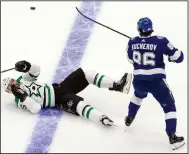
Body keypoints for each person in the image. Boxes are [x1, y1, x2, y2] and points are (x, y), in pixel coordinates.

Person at [2, 60, 132, 127]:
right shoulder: (19, 101)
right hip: (59, 100)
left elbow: (36, 70)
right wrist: (23, 97)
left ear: (14, 79)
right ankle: (102, 118)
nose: (13, 86)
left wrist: (27, 66)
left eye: (11, 82)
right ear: (9, 91)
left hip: (61, 87)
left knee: (87, 74)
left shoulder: (23, 79)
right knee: (79, 106)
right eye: (9, 87)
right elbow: (36, 108)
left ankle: (117, 85)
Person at [125, 17, 184, 150]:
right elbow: (179, 57)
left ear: (139, 29)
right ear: (151, 28)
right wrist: (171, 57)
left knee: (138, 96)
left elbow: (130, 60)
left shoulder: (132, 41)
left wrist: (139, 47)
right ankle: (172, 137)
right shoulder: (161, 41)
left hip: (139, 81)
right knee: (169, 107)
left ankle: (129, 117)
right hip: (156, 82)